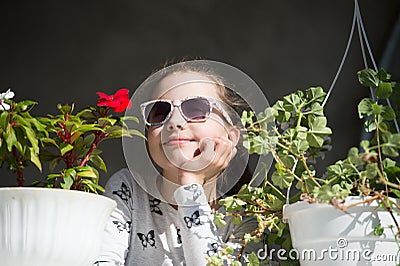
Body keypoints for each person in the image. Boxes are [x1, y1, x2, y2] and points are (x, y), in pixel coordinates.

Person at [94, 60, 264, 266]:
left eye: (196, 108)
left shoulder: (248, 218)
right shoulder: (128, 189)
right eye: (160, 112)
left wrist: (190, 185)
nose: (174, 122)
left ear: (231, 136)